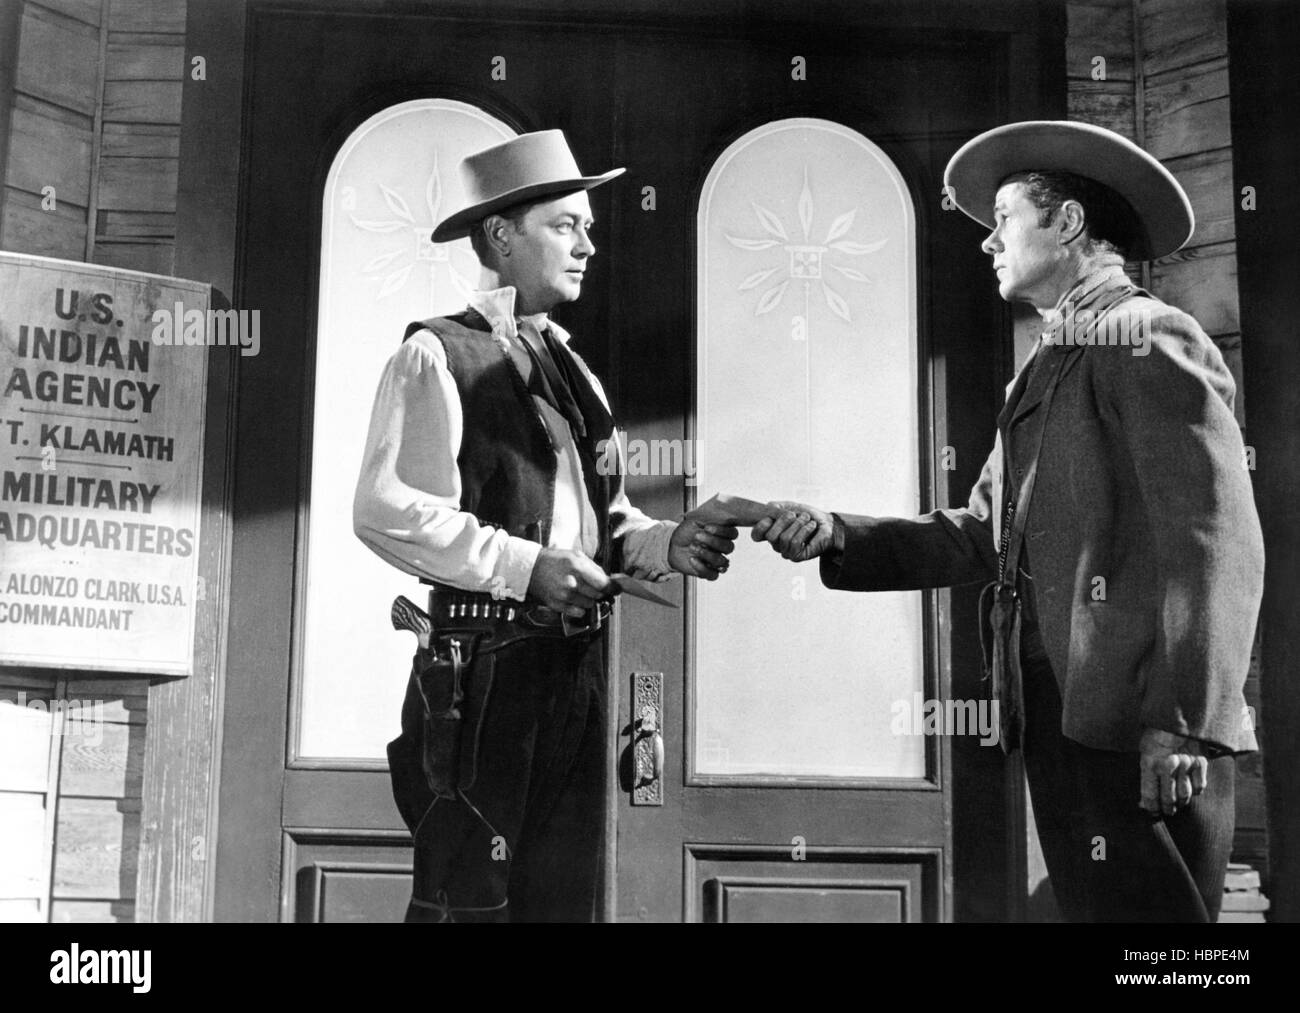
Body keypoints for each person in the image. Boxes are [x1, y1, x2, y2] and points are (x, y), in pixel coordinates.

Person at [751, 120, 1263, 922]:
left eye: (1005, 221)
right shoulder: (1053, 362)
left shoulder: (1148, 335)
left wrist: (1185, 723)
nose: (989, 243)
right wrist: (836, 531)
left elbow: (1214, 539)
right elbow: (982, 532)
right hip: (1067, 719)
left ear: (1066, 224)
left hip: (1141, 729)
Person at [353, 130, 737, 922]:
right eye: (567, 225)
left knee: (562, 905)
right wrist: (528, 567)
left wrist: (670, 542)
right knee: (468, 905)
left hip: (575, 673)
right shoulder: (436, 356)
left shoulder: (573, 369)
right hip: (480, 678)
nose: (589, 245)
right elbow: (388, 509)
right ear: (501, 235)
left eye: (587, 227)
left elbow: (604, 522)